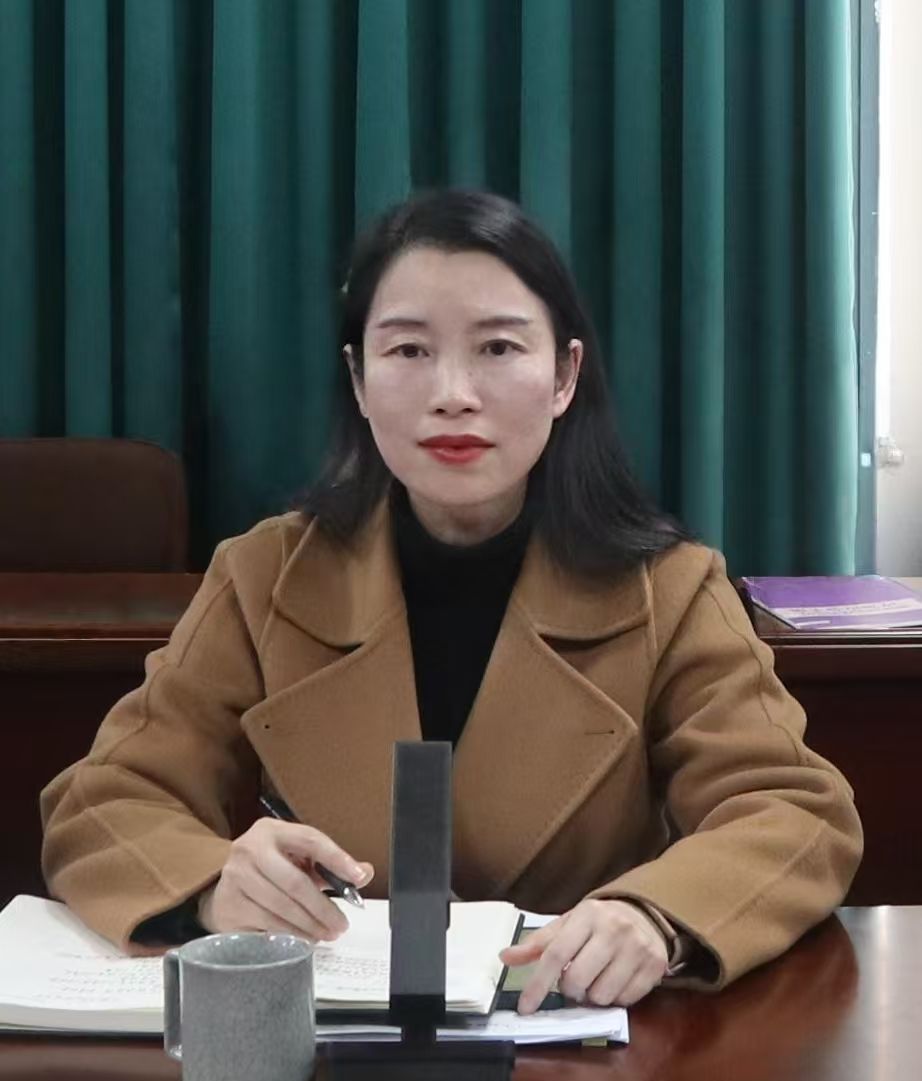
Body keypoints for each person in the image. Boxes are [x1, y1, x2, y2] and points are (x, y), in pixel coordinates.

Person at [41, 189, 862, 1014]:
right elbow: (102, 801)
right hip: (335, 1038)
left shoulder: (671, 588)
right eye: (408, 350)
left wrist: (655, 916)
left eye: (498, 347)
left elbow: (793, 810)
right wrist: (214, 882)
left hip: (579, 1035)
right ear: (359, 380)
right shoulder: (264, 576)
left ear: (565, 375)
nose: (453, 393)